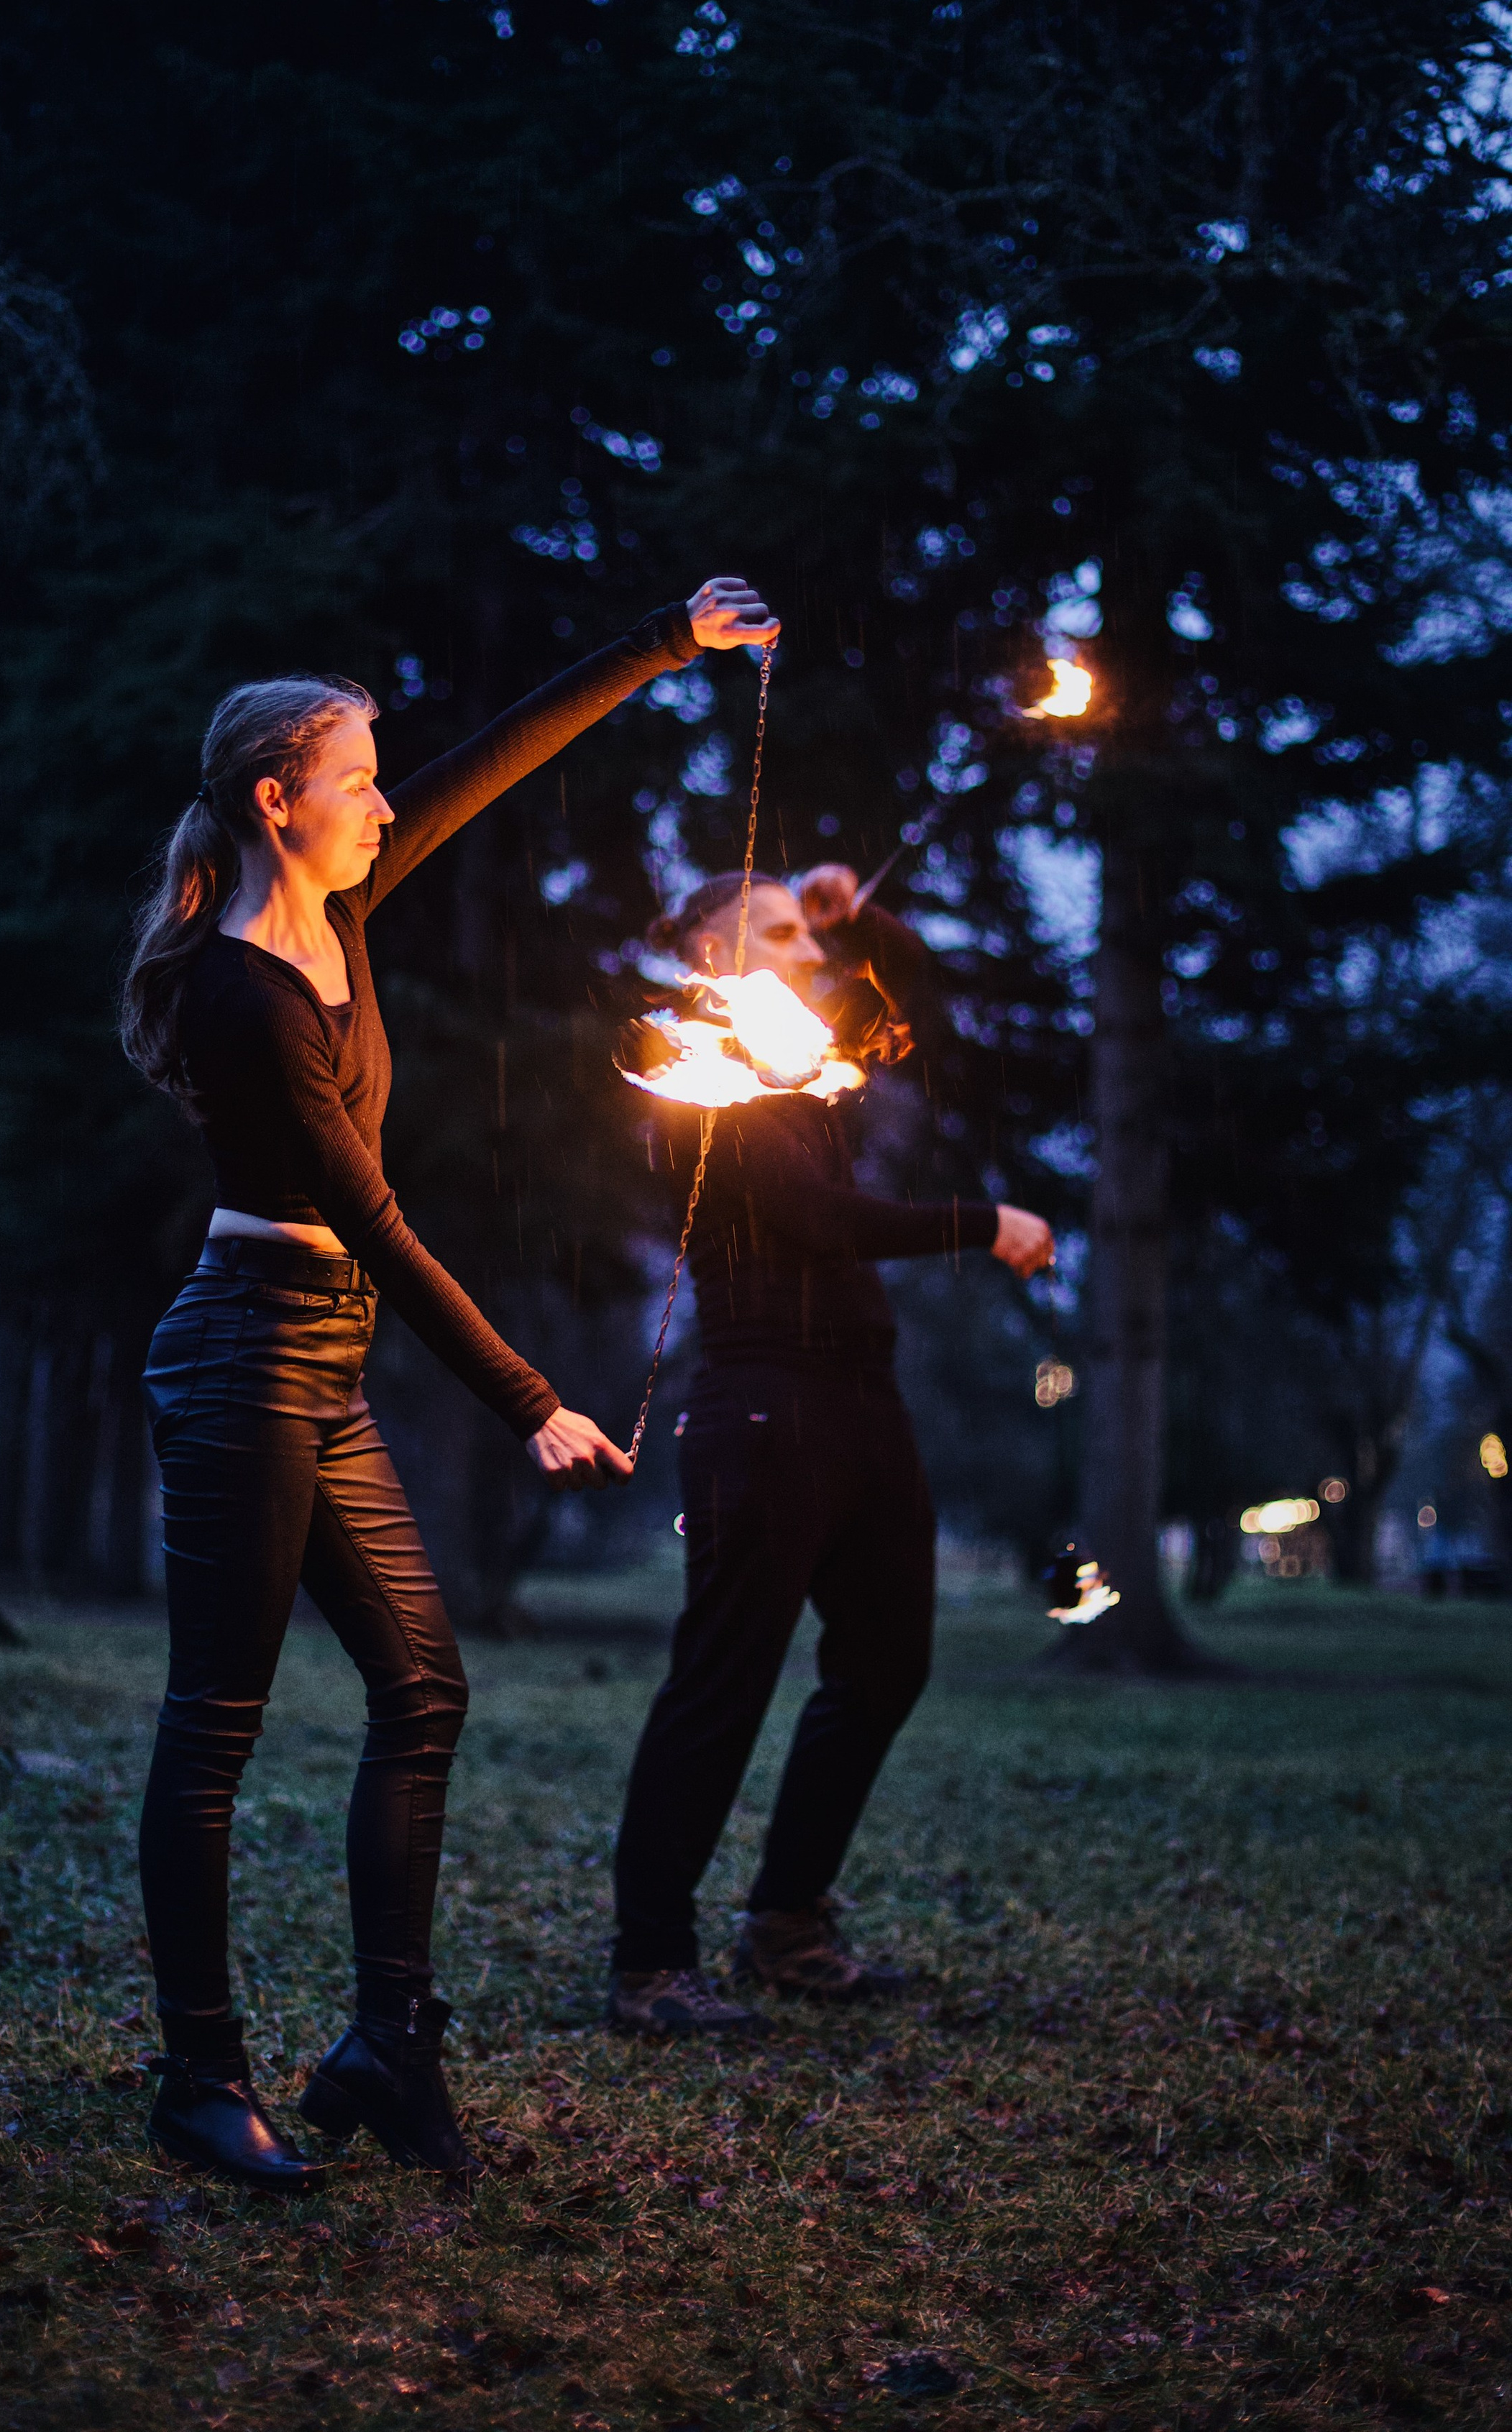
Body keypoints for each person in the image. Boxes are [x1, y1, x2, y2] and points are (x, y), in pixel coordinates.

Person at [118, 578, 776, 2185]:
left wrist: (659, 646)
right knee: (217, 1721)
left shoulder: (335, 921)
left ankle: (387, 2050)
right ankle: (201, 2082)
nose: (380, 803)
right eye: (353, 779)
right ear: (277, 799)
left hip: (319, 1362)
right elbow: (370, 1215)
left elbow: (492, 762)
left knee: (423, 1687)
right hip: (245, 1353)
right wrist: (525, 1396)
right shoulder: (234, 989)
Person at [608, 865, 1054, 2034]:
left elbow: (914, 996)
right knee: (726, 1678)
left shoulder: (806, 1062)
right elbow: (815, 1217)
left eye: (803, 933)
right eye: (771, 931)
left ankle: (785, 1925)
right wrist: (982, 1221)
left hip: (862, 1400)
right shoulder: (691, 1075)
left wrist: (859, 917)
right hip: (763, 1406)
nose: (800, 948)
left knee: (886, 1665)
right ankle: (650, 1964)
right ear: (709, 957)